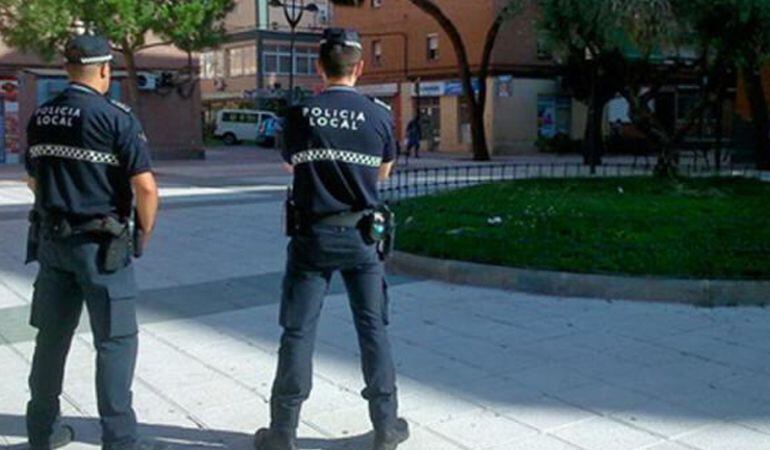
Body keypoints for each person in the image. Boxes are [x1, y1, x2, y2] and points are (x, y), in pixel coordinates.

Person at [253, 28, 409, 450]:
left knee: (298, 332)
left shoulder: (300, 114)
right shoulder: (378, 115)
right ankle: (386, 426)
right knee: (372, 329)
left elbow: (290, 166)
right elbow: (383, 173)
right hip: (362, 239)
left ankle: (282, 432)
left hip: (312, 237)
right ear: (360, 67)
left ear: (320, 68)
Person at [23, 34, 159, 450]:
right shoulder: (116, 118)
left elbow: (32, 177)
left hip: (53, 243)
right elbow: (146, 189)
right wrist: (142, 234)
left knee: (51, 338)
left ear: (66, 68)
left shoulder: (41, 116)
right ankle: (119, 440)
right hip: (102, 249)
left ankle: (42, 432)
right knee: (115, 342)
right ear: (105, 70)